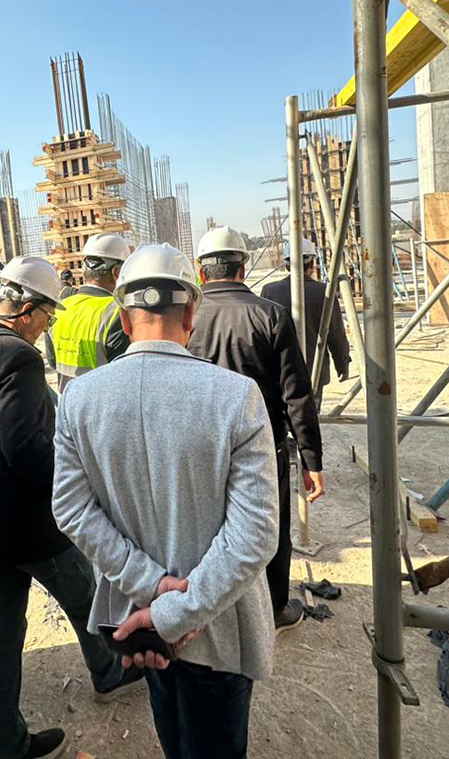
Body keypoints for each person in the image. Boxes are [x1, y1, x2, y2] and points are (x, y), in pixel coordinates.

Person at [52, 243, 280, 759]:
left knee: (173, 737)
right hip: (216, 625)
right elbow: (255, 534)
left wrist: (150, 589)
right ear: (191, 314)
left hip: (136, 620)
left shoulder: (78, 399)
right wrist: (177, 611)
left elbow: (70, 509)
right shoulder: (235, 396)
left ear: (123, 318)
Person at [0, 255, 139, 759]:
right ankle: (109, 671)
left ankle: (6, 743)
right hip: (30, 524)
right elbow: (25, 450)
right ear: (27, 309)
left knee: (1, 630)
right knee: (85, 594)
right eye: (48, 315)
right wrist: (74, 475)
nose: (48, 325)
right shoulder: (19, 358)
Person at [187, 226, 324, 632]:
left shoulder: (187, 317)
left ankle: (215, 608)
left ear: (201, 270)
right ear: (242, 267)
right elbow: (296, 394)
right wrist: (311, 459)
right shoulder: (270, 315)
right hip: (262, 445)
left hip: (202, 445)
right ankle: (274, 608)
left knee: (208, 527)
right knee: (268, 527)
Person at [260, 237, 351, 387]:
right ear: (312, 264)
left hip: (279, 373)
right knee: (313, 403)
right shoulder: (324, 292)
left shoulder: (269, 291)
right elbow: (336, 334)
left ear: (287, 265)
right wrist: (342, 365)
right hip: (314, 372)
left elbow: (263, 334)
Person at [49, 233, 131, 392]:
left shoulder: (59, 309)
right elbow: (123, 372)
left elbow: (53, 361)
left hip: (67, 402)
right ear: (116, 272)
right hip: (104, 402)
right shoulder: (117, 311)